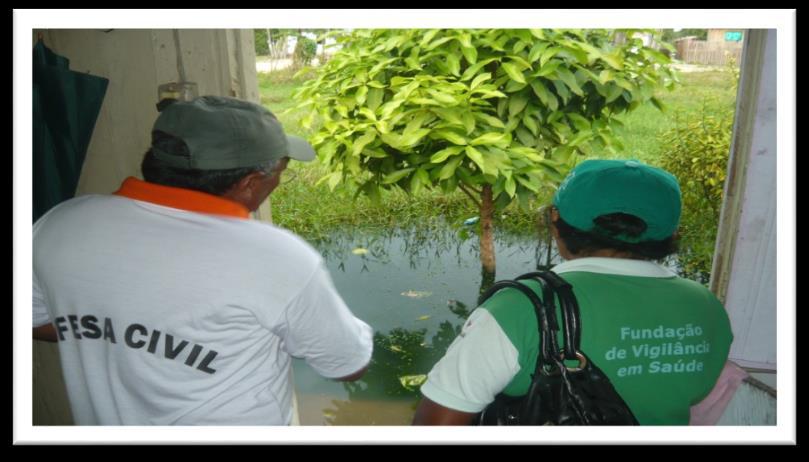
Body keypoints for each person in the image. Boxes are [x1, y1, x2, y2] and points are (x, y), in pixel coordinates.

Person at [32, 96, 373, 425]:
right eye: (280, 171)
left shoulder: (62, 221)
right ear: (250, 183)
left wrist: (114, 333)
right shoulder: (276, 257)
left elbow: (33, 321)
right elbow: (346, 365)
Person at [412, 159, 734, 425]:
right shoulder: (706, 305)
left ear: (556, 221)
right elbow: (695, 394)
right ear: (671, 233)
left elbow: (438, 423)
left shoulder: (520, 307)